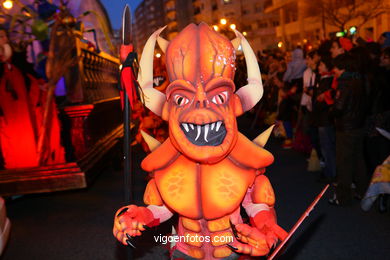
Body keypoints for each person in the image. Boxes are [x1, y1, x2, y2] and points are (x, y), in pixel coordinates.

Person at [329, 53, 368, 206]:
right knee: (359, 160)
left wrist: (331, 111)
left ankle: (342, 197)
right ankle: (362, 191)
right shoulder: (359, 80)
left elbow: (339, 107)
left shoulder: (344, 83)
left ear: (342, 68)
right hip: (358, 125)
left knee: (344, 162)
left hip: (346, 127)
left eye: (336, 68)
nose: (334, 71)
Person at [312, 56, 336, 183]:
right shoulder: (322, 79)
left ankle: (332, 174)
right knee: (326, 147)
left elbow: (325, 102)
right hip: (322, 118)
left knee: (327, 147)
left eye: (321, 65)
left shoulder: (328, 81)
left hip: (325, 119)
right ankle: (330, 172)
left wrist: (317, 100)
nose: (319, 67)